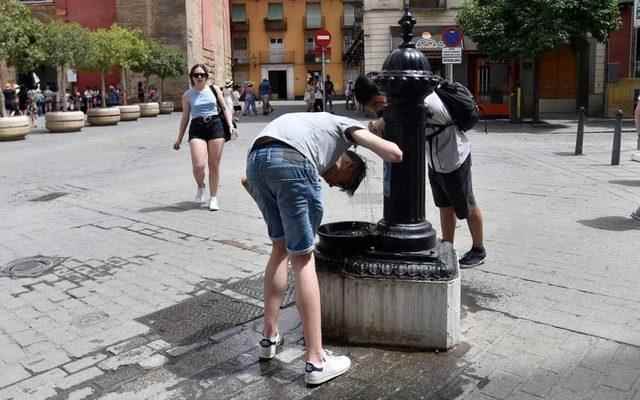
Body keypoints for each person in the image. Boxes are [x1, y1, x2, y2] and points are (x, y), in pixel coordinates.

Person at [243, 112, 403, 385]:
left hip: (255, 160)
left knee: (279, 248)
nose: (329, 183)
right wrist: (396, 149)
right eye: (339, 182)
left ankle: (268, 338)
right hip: (292, 161)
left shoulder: (312, 126)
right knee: (303, 260)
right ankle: (316, 361)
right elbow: (392, 153)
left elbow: (248, 182)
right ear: (349, 164)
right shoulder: (342, 125)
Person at [354, 75, 487, 268]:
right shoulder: (400, 102)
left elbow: (407, 114)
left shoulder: (420, 98)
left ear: (384, 92)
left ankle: (478, 249)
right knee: (444, 204)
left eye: (376, 104)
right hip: (435, 159)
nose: (378, 109)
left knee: (467, 204)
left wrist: (382, 122)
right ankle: (447, 246)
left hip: (454, 156)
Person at [174, 64, 234, 211]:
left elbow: (224, 107)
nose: (199, 77)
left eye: (202, 75)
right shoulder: (187, 95)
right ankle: (201, 185)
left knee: (214, 165)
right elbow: (185, 117)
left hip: (215, 125)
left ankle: (213, 197)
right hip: (197, 127)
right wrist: (179, 138)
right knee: (199, 165)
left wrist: (230, 125)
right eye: (196, 75)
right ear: (192, 77)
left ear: (206, 77)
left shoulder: (214, 90)